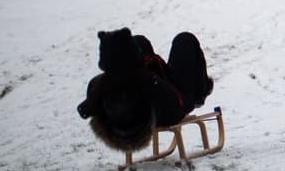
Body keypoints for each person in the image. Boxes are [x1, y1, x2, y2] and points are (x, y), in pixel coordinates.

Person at [77, 28, 214, 152]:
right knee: (184, 40)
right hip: (159, 116)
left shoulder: (97, 83)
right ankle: (200, 92)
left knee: (140, 41)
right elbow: (174, 101)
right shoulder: (147, 81)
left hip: (120, 129)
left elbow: (85, 110)